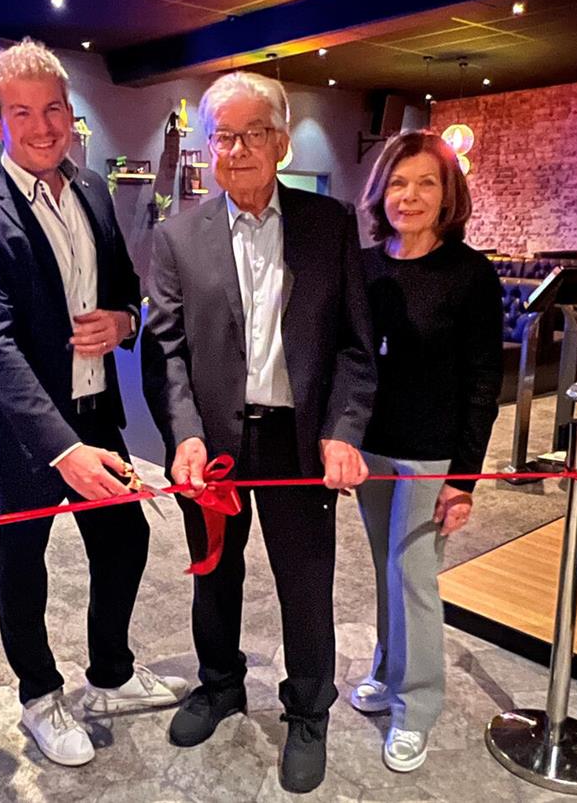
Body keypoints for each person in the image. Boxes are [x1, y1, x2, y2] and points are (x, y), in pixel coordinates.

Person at [0, 38, 187, 768]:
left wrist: (125, 321)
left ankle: (108, 673)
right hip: (25, 434)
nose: (43, 126)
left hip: (95, 412)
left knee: (124, 540)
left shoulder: (94, 192)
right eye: (23, 113)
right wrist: (62, 449)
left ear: (69, 113)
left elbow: (125, 292)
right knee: (26, 556)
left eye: (54, 109)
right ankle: (39, 693)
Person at [142, 71, 375, 794]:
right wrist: (181, 434)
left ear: (279, 140)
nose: (236, 150)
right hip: (211, 444)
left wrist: (343, 430)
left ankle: (308, 709)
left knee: (305, 582)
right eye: (223, 136)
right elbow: (167, 349)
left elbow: (355, 347)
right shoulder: (177, 235)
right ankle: (219, 683)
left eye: (251, 134)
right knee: (215, 573)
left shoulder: (329, 225)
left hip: (299, 441)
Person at [350, 130, 503, 772]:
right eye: (398, 182)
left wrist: (463, 478)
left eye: (425, 183)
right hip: (370, 451)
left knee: (414, 577)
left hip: (430, 455)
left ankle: (418, 706)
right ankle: (388, 670)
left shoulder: (469, 273)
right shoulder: (362, 265)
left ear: (448, 195)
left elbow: (483, 382)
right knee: (387, 571)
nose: (408, 195)